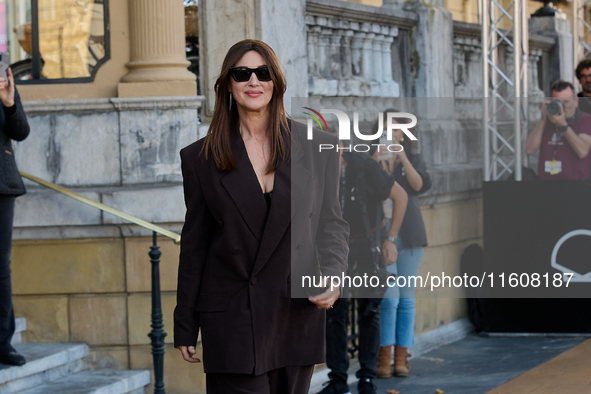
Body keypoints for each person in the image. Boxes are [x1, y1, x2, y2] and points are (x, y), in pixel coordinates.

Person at [173, 39, 350, 394]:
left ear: (276, 81)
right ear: (227, 84)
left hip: (295, 311)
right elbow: (195, 245)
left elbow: (332, 223)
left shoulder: (318, 148)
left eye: (263, 73)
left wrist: (334, 275)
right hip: (232, 316)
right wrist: (185, 323)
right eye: (242, 73)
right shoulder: (199, 159)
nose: (253, 81)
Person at [318, 140, 408, 394]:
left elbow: (401, 196)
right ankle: (337, 380)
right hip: (334, 249)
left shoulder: (364, 166)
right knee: (334, 312)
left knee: (369, 310)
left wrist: (391, 239)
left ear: (342, 150)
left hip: (368, 244)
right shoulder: (315, 171)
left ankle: (367, 377)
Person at [373, 111, 431, 379]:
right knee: (389, 298)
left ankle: (402, 356)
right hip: (382, 237)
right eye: (386, 130)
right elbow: (367, 188)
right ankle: (384, 355)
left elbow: (418, 186)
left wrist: (403, 157)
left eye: (397, 130)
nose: (392, 135)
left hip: (409, 235)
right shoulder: (370, 158)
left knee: (406, 298)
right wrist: (378, 158)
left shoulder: (413, 159)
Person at [0, 68, 30, 367]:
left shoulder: (3, 84)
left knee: (0, 267)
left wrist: (9, 103)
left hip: (1, 186)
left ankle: (3, 343)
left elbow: (21, 131)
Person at [525, 80, 591, 180]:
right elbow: (529, 149)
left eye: (566, 102)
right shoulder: (547, 120)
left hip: (575, 187)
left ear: (576, 101)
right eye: (558, 102)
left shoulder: (585, 119)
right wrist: (542, 120)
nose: (562, 106)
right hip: (546, 186)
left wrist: (563, 125)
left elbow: (582, 151)